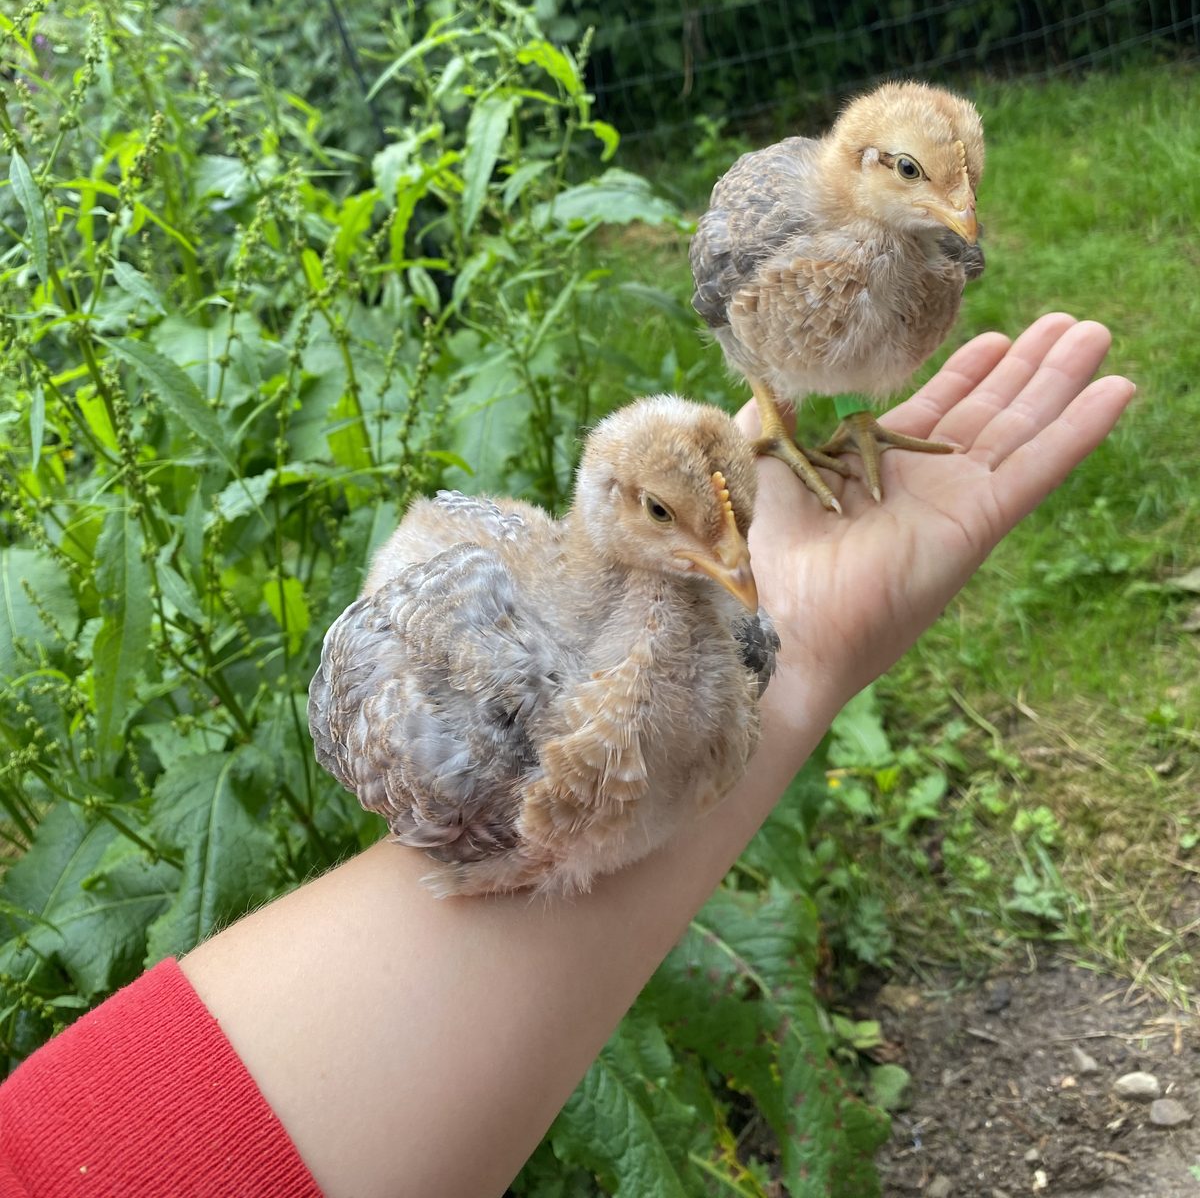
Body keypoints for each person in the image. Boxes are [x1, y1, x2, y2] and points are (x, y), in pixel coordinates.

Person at [0, 316, 1133, 1198]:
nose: (736, 567)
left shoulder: (733, 630)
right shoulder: (461, 709)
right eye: (669, 518)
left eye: (738, 528)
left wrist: (763, 616)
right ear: (607, 499)